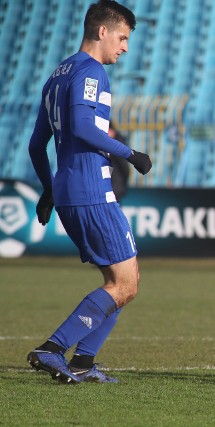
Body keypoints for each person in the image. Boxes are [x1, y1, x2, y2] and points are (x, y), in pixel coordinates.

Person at [27, 0, 152, 384]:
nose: (125, 47)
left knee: (122, 279)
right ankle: (53, 349)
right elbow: (83, 127)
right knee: (125, 283)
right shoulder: (90, 71)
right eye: (122, 37)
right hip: (92, 190)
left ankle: (83, 361)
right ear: (102, 31)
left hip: (69, 189)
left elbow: (36, 145)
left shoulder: (57, 75)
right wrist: (130, 154)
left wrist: (49, 189)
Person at [108, 123, 131, 202]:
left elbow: (125, 168)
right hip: (112, 186)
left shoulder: (117, 147)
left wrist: (122, 185)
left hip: (114, 186)